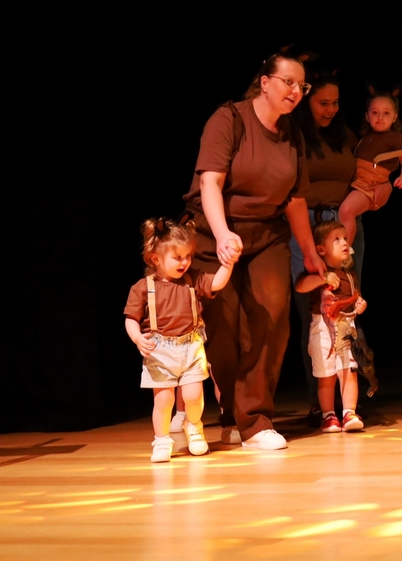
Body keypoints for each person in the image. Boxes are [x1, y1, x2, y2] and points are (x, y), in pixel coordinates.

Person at [184, 50, 323, 450]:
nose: (296, 91)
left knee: (271, 317)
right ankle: (231, 413)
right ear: (265, 82)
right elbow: (210, 183)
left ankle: (256, 421)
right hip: (214, 232)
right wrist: (223, 235)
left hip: (267, 234)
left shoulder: (292, 134)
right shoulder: (229, 119)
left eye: (302, 86)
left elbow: (295, 199)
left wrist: (309, 251)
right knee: (223, 328)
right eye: (288, 82)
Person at [289, 71, 366, 427]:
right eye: (323, 103)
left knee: (349, 302)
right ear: (307, 103)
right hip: (307, 225)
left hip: (344, 224)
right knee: (313, 313)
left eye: (335, 103)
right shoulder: (296, 136)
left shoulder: (344, 134)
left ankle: (350, 405)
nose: (330, 109)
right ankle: (322, 405)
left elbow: (370, 172)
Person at [123, 217, 234, 463]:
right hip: (159, 350)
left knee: (193, 396)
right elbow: (131, 319)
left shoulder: (192, 279)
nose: (185, 262)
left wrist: (228, 264)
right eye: (178, 257)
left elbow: (216, 282)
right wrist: (137, 338)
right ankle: (162, 440)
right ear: (155, 259)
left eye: (188, 256)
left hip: (191, 346)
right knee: (164, 400)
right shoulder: (143, 287)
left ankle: (194, 428)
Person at [295, 220, 367, 433]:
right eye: (336, 239)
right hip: (323, 329)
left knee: (349, 370)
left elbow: (354, 297)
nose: (344, 242)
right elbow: (300, 286)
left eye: (345, 238)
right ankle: (328, 416)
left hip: (346, 326)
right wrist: (323, 278)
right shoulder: (319, 271)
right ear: (321, 249)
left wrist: (359, 304)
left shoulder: (350, 273)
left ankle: (349, 412)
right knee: (326, 375)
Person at [336, 90, 402, 245]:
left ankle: (345, 251)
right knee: (344, 212)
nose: (380, 117)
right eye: (375, 112)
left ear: (395, 117)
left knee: (346, 211)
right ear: (367, 116)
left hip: (369, 186)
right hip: (356, 183)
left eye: (386, 113)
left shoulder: (396, 138)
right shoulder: (365, 138)